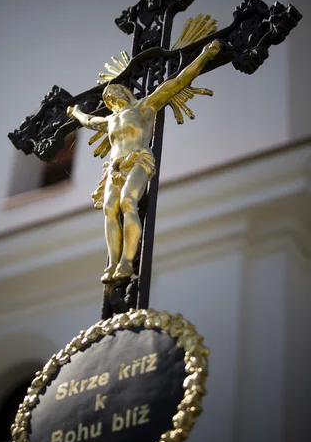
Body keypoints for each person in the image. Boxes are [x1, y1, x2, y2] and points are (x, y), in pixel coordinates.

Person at [67, 40, 222, 283]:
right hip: (114, 168)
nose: (111, 100)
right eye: (108, 100)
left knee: (129, 202)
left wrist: (204, 56)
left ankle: (127, 262)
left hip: (138, 158)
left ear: (125, 92)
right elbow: (89, 121)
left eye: (114, 94)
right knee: (110, 209)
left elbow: (177, 83)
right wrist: (75, 112)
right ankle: (113, 263)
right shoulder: (109, 121)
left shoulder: (144, 106)